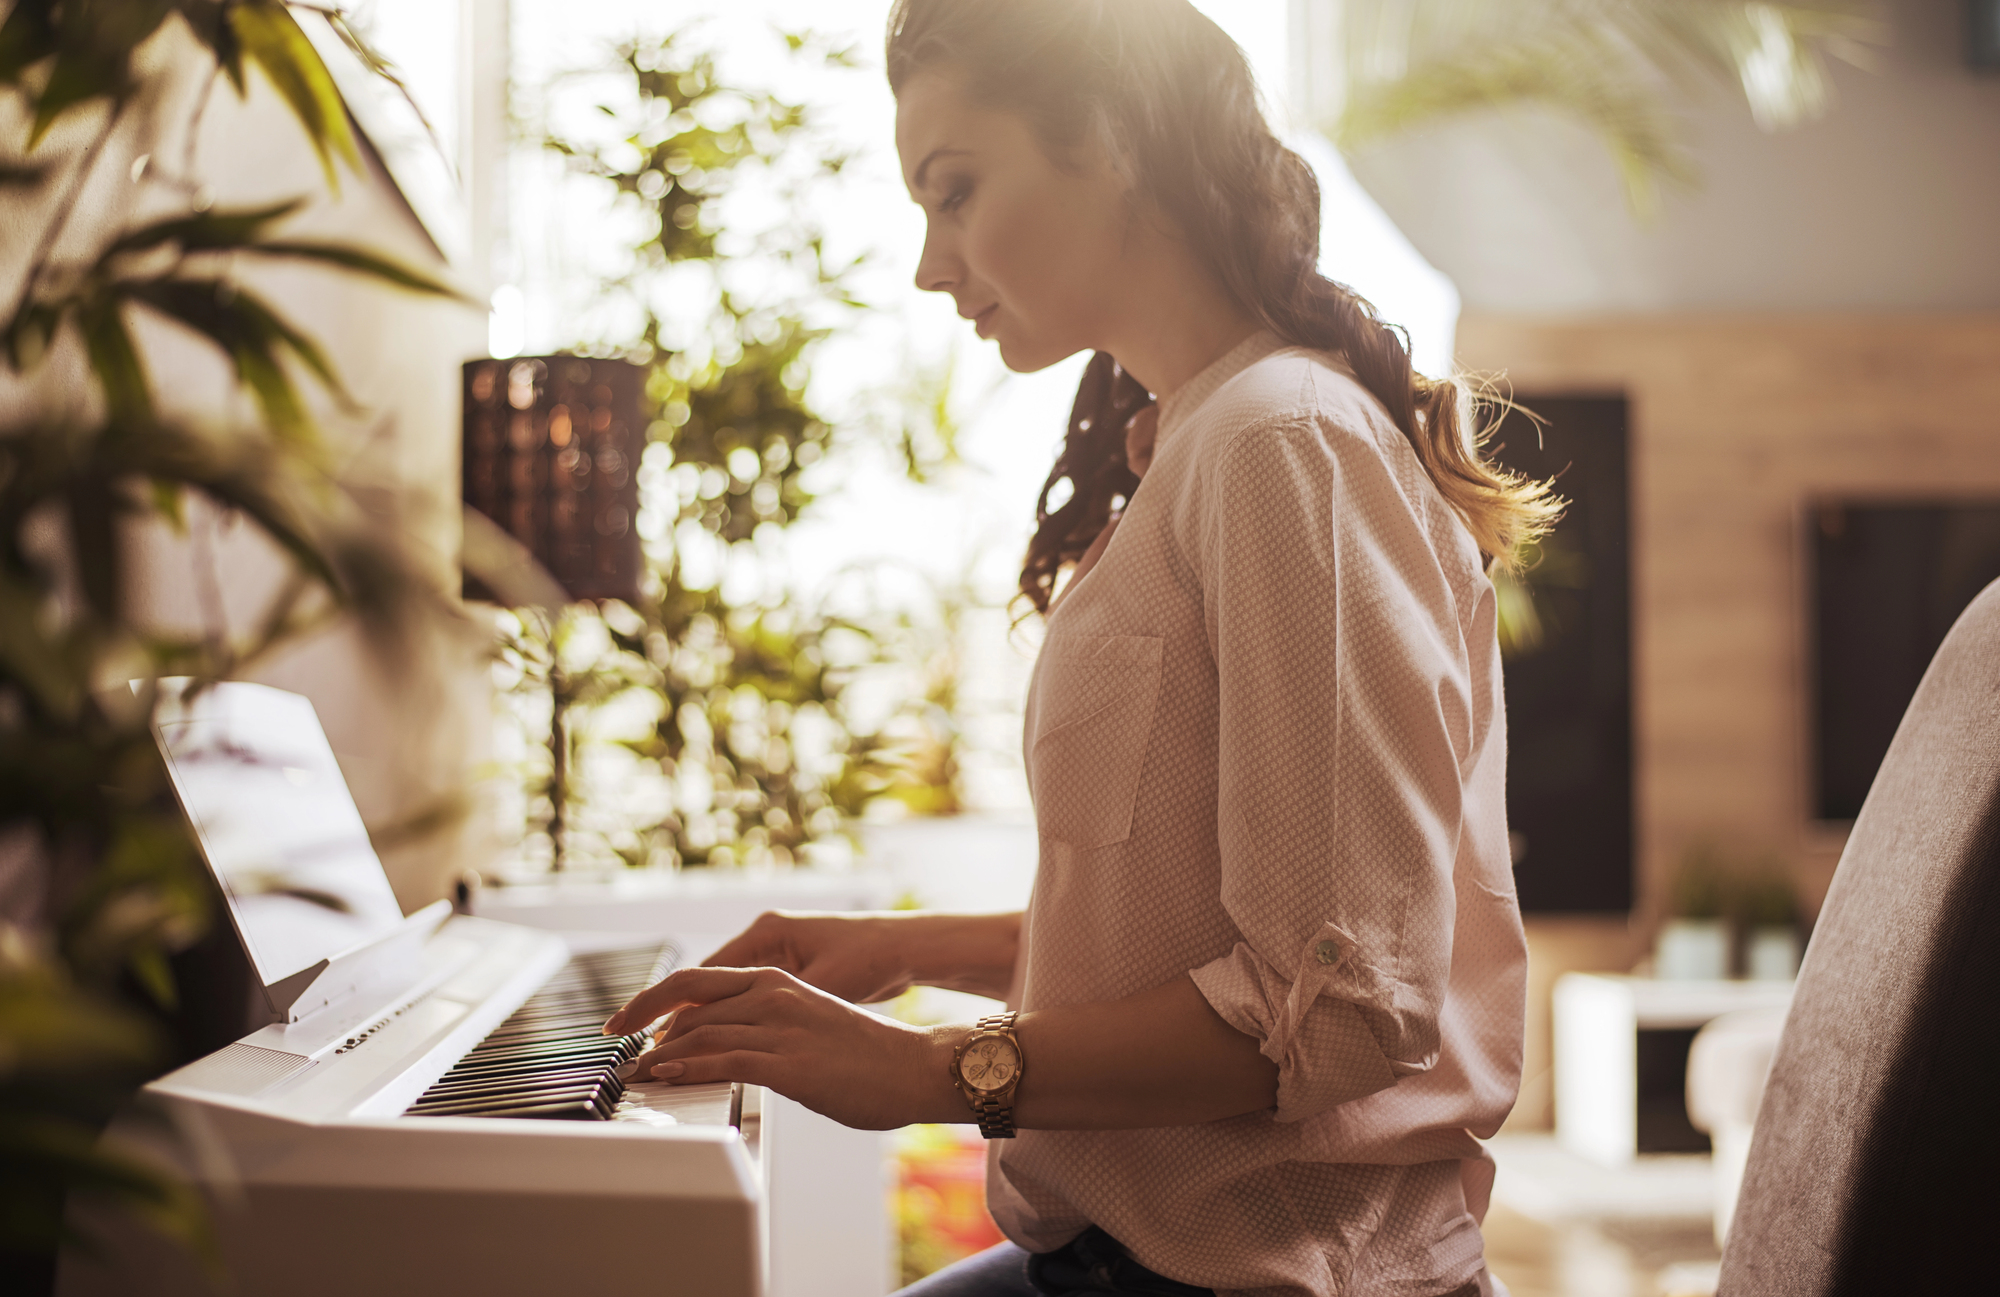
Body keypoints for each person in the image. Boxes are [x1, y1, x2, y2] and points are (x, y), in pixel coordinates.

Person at [603, 1, 1560, 1292]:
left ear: (1109, 137)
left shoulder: (1285, 444)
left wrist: (931, 1070)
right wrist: (905, 947)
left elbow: (1335, 1002)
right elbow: (1198, 924)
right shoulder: (1207, 440)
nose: (929, 266)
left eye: (955, 191)